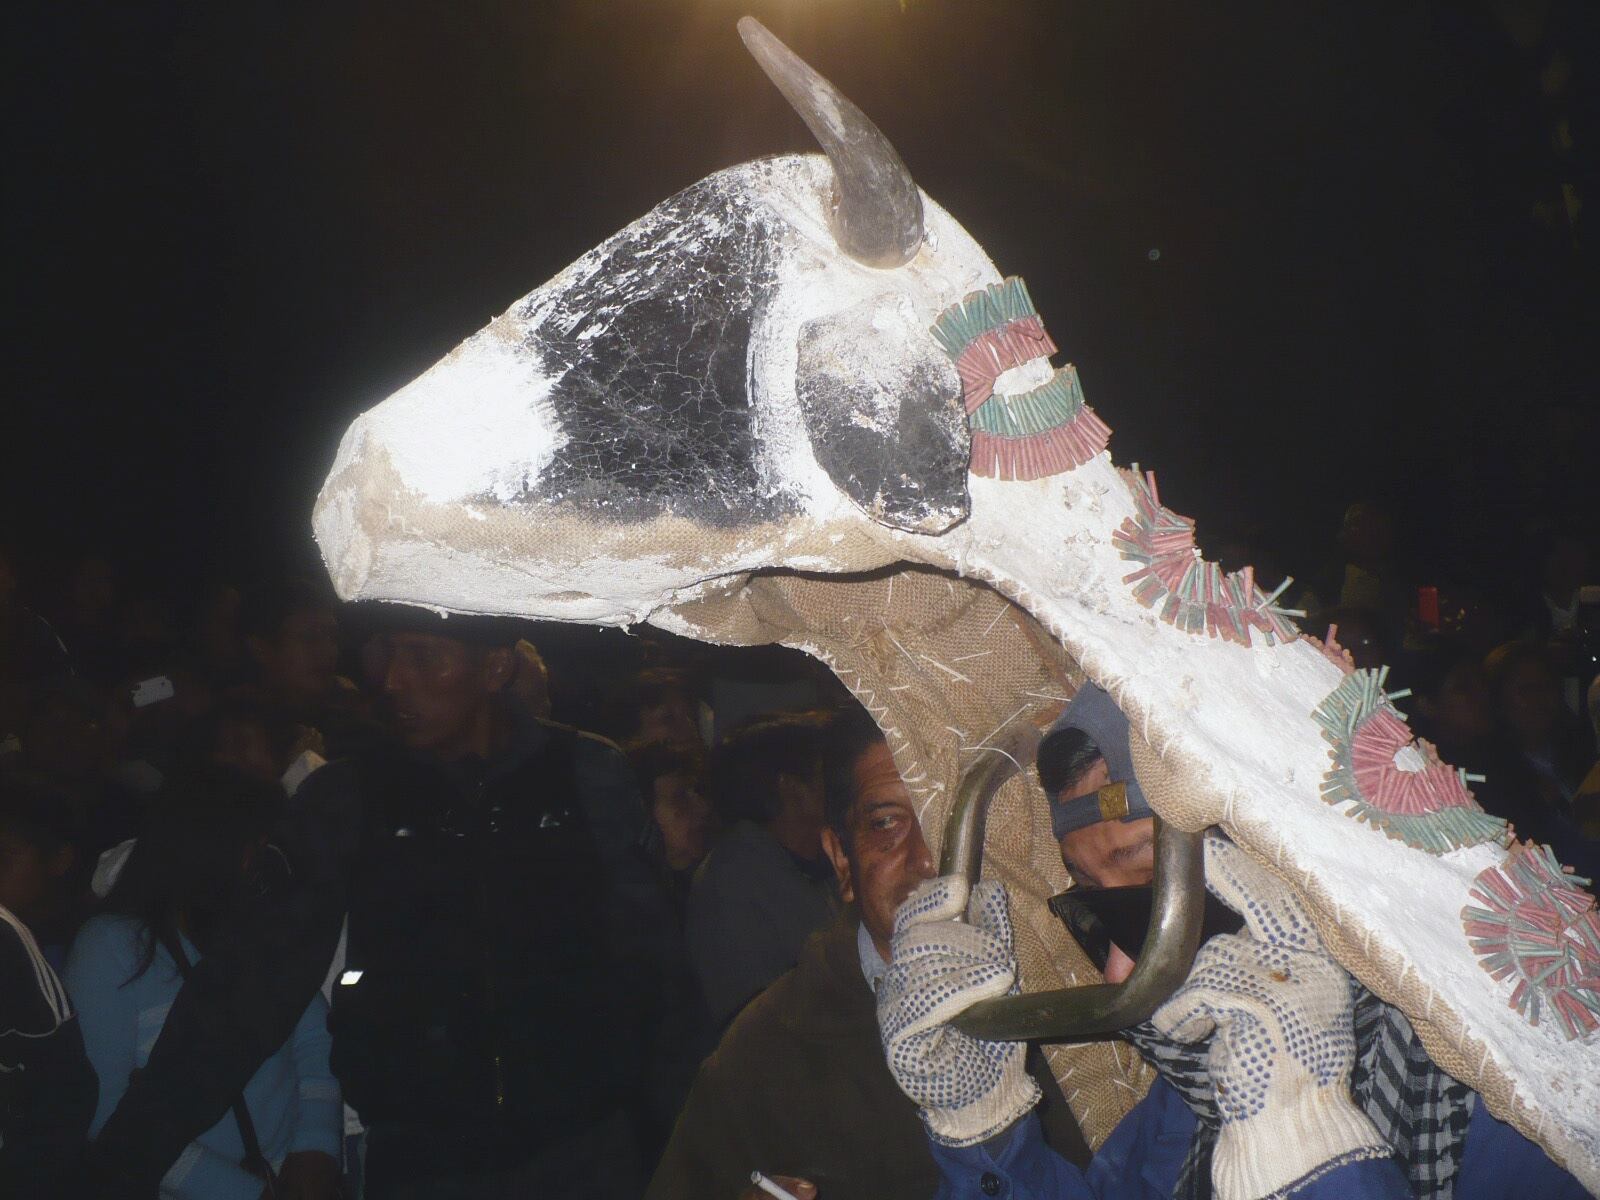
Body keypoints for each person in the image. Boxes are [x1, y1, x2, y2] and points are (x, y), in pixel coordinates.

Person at [1001, 684, 1589, 1199]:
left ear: (1282, 867)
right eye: (1101, 913)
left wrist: (1304, 1141)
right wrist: (986, 1129)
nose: (1117, 973)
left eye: (1153, 896)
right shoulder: (1217, 1069)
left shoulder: (1522, 1095)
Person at [295, 605, 682, 1198]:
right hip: (422, 1157)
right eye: (386, 654)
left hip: (583, 1149)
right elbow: (253, 980)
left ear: (496, 667)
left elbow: (655, 965)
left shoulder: (585, 772)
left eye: (423, 657)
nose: (394, 680)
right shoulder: (350, 795)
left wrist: (684, 1132)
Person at [649, 707, 1088, 1200]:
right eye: (887, 823)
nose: (927, 858)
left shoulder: (1081, 988)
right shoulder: (767, 1054)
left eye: (953, 819)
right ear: (841, 859)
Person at [65, 765, 342, 1200]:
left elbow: (314, 1040)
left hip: (283, 1174)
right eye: (259, 844)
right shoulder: (112, 946)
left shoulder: (261, 929)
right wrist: (245, 1194)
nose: (266, 860)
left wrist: (316, 1149)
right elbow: (105, 1114)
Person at [687, 711, 839, 1026]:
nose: (846, 781)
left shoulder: (817, 861)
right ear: (790, 787)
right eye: (829, 771)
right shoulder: (735, 880)